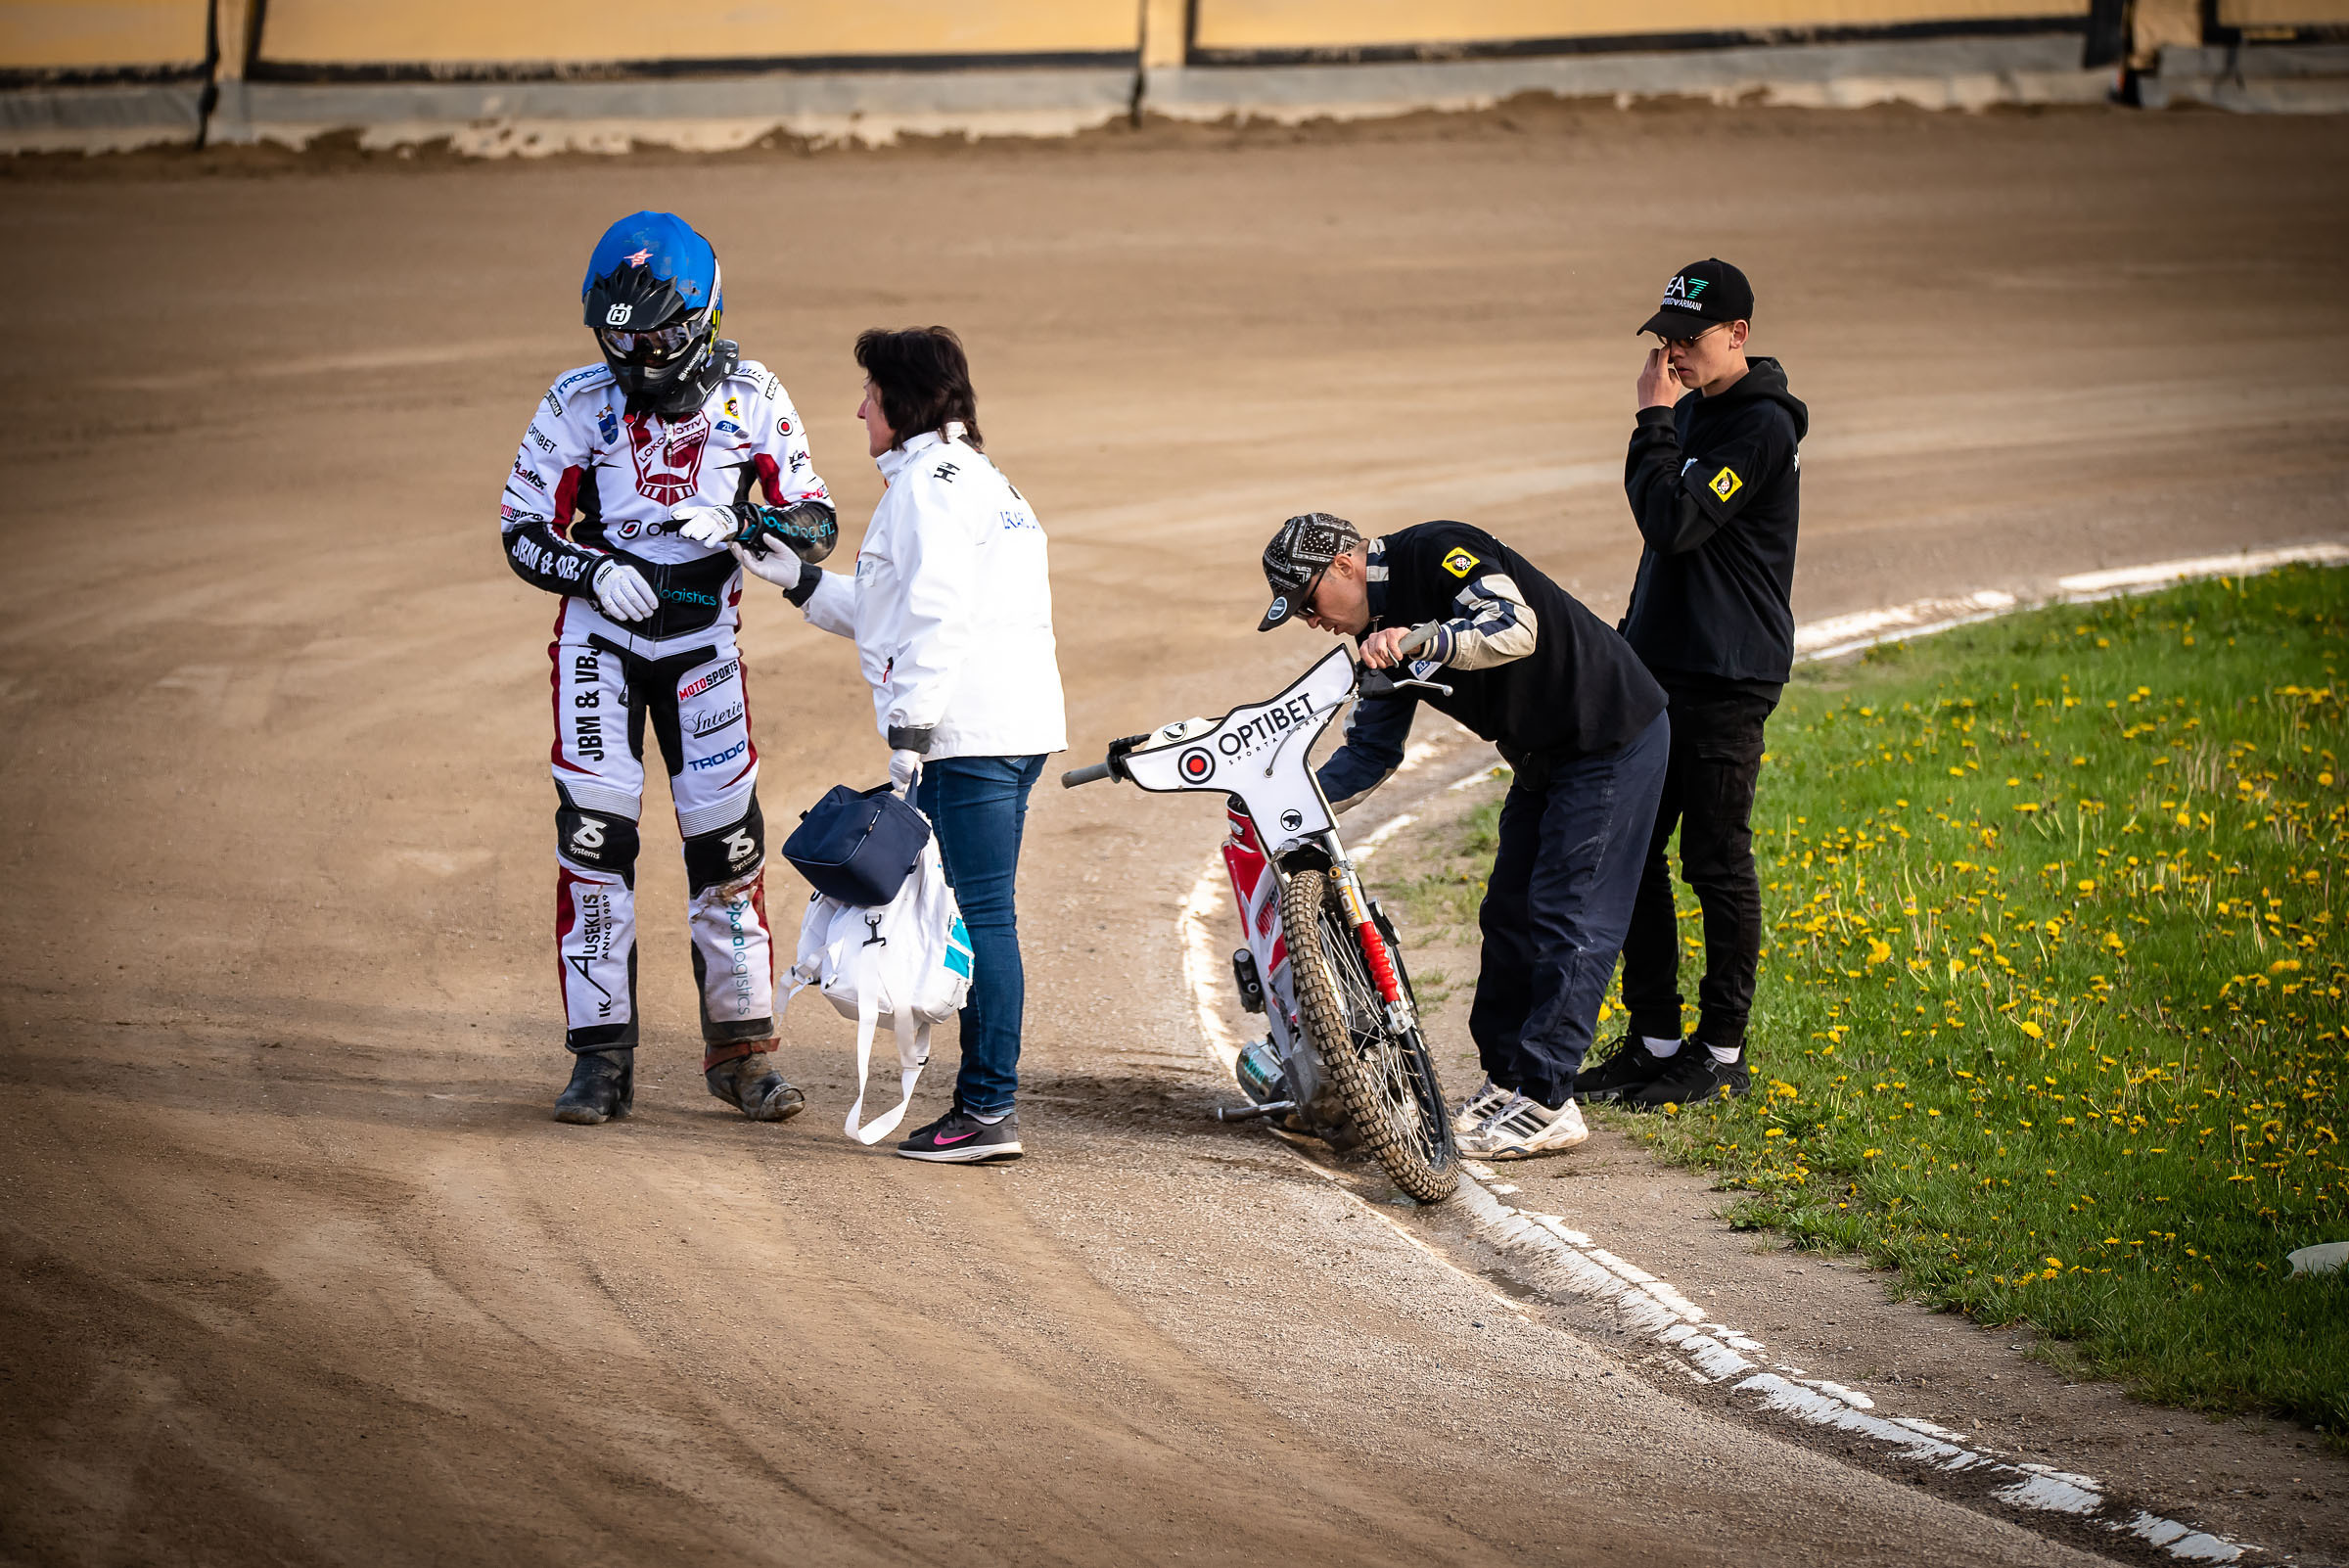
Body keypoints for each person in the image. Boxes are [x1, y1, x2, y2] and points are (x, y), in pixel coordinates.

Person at [499, 210, 840, 1127]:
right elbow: (520, 532)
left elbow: (817, 518)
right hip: (595, 647)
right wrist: (594, 570)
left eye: (660, 333)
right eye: (622, 334)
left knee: (727, 850)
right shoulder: (574, 401)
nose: (642, 353)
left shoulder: (759, 394)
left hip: (703, 650)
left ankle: (743, 1055)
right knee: (595, 846)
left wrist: (746, 526)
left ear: (706, 317)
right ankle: (600, 1063)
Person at [734, 327, 1065, 1164]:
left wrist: (910, 739)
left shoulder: (928, 488)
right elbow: (896, 610)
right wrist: (804, 582)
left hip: (967, 736)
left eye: (871, 395)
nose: (859, 409)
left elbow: (935, 620)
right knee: (980, 911)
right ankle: (984, 1106)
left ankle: (988, 1111)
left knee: (982, 915)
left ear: (902, 401)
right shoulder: (972, 478)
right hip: (1003, 726)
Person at [1259, 513, 1668, 1160]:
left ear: (1343, 565)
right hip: (1544, 758)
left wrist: (1425, 638)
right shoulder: (1378, 645)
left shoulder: (1437, 549)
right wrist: (1279, 808)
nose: (1315, 623)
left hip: (1610, 734)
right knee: (1507, 914)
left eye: (1309, 604)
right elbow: (1368, 756)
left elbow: (1516, 627)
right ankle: (1507, 1077)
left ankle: (1546, 1098)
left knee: (1571, 915)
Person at [1576, 258, 1807, 1111]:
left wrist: (1651, 417)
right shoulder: (1698, 416)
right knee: (1631, 854)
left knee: (1715, 860)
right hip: (1661, 668)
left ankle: (1721, 1050)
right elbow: (1661, 546)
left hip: (1728, 674)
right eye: (1665, 338)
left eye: (1689, 338)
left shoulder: (1760, 426)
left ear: (1738, 334)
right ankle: (1655, 1038)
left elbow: (1671, 524)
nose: (1673, 354)